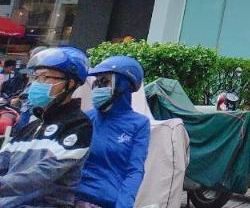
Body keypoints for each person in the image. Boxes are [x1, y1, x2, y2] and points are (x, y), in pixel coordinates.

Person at [0, 46, 93, 208]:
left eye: (44, 77)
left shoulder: (78, 125)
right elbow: (3, 161)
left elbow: (42, 175)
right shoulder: (32, 126)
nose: (36, 84)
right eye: (35, 77)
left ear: (70, 83)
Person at [75, 56, 150, 208]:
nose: (98, 87)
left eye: (105, 82)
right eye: (96, 82)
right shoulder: (86, 118)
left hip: (108, 202)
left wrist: (123, 205)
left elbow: (134, 171)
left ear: (123, 85)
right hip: (72, 199)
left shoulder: (139, 124)